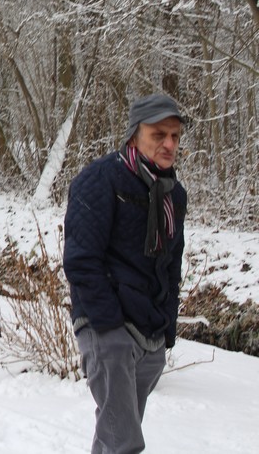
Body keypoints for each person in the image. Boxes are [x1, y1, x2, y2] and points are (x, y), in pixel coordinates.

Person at [63, 93, 188, 454]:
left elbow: (172, 266)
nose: (169, 144)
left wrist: (166, 328)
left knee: (113, 436)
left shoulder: (174, 195)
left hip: (149, 335)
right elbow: (81, 260)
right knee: (124, 441)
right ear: (134, 135)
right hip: (108, 331)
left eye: (175, 136)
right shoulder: (100, 179)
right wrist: (109, 330)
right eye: (158, 135)